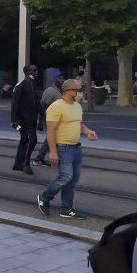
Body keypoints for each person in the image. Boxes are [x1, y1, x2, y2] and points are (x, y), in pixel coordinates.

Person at [37, 79, 97, 219]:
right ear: (69, 90)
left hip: (76, 149)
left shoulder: (77, 106)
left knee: (72, 180)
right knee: (66, 176)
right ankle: (44, 197)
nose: (80, 93)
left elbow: (79, 124)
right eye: (78, 90)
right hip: (63, 149)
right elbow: (50, 131)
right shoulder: (56, 107)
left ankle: (66, 208)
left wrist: (88, 132)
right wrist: (52, 151)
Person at [11, 64, 43, 175]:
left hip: (32, 119)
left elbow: (37, 104)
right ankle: (25, 163)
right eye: (34, 70)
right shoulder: (20, 86)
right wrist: (14, 121)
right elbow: (14, 104)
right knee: (31, 140)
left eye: (37, 70)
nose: (37, 72)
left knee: (25, 140)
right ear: (28, 72)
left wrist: (43, 117)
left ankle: (18, 164)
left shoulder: (32, 85)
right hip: (22, 120)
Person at [34, 73, 66, 167]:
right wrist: (40, 122)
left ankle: (54, 157)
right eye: (60, 78)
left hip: (58, 120)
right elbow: (42, 106)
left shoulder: (61, 91)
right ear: (55, 79)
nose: (62, 80)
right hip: (50, 120)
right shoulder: (50, 91)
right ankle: (39, 159)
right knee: (50, 139)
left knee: (54, 139)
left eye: (63, 79)